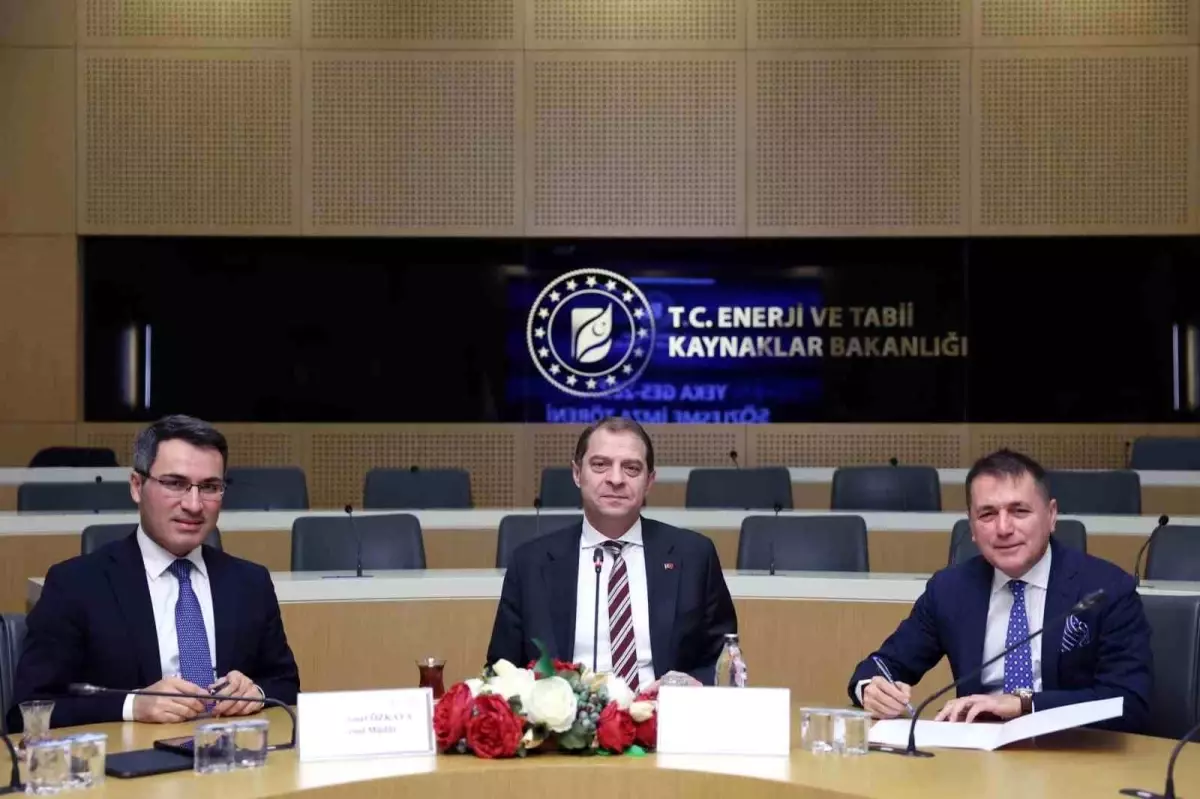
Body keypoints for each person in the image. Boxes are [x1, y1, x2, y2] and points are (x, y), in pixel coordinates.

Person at [7, 415, 300, 730]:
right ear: (137, 486)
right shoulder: (76, 585)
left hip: (230, 753)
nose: (194, 505)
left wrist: (256, 693)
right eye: (175, 484)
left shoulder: (250, 582)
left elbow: (286, 684)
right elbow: (27, 710)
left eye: (209, 487)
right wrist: (132, 705)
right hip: (131, 757)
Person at [847, 449, 1152, 732]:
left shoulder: (1105, 590)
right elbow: (882, 665)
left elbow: (1128, 702)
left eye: (1019, 511)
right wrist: (871, 689)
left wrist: (1025, 704)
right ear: (972, 525)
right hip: (976, 755)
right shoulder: (950, 589)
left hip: (1074, 753)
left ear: (1051, 515)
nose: (1003, 528)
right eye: (987, 514)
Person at [487, 417, 736, 687]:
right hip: (567, 713)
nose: (616, 479)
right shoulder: (530, 564)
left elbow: (722, 661)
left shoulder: (694, 556)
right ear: (577, 473)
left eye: (631, 468)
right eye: (600, 465)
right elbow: (501, 671)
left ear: (649, 481)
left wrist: (689, 685)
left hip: (664, 711)